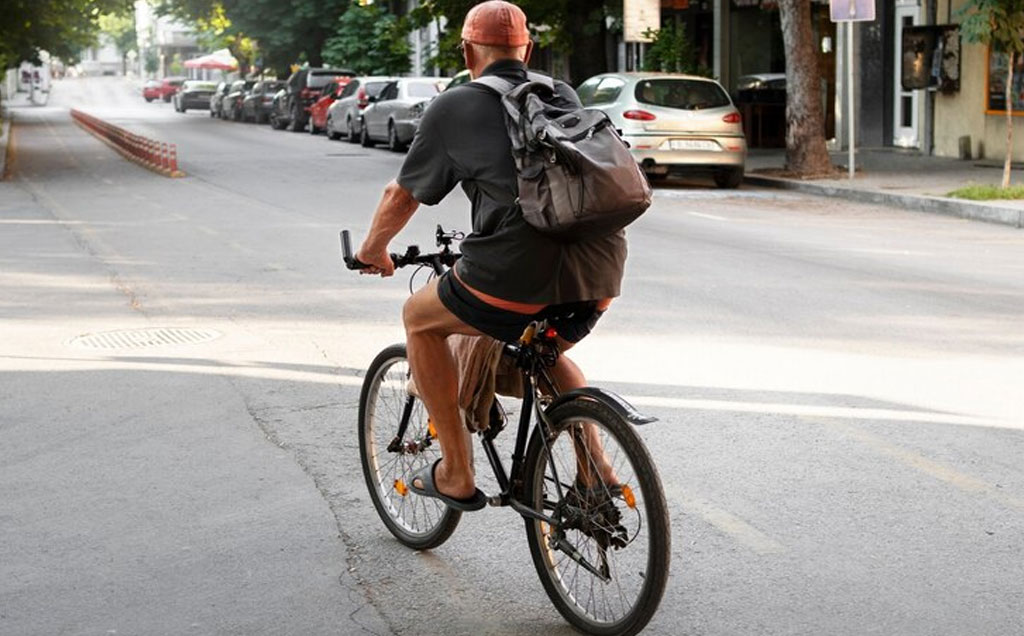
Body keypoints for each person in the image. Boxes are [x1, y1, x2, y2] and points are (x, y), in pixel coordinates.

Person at [355, 0, 626, 511]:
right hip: (600, 273)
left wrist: (374, 251)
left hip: (515, 271)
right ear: (528, 48)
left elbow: (402, 195)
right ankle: (597, 470)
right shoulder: (559, 93)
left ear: (466, 50)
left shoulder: (455, 105)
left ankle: (456, 473)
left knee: (419, 320)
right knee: (548, 352)